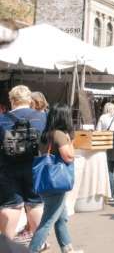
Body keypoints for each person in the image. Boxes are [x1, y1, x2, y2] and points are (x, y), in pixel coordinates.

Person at [29, 104, 82, 253]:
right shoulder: (59, 134)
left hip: (47, 183)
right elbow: (69, 157)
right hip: (56, 184)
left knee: (61, 219)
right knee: (47, 222)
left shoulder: (46, 133)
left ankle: (68, 249)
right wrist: (70, 141)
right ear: (64, 117)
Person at [0, 85, 46, 241]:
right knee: (35, 204)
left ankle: (6, 246)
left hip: (7, 169)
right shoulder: (42, 117)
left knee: (11, 206)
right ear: (29, 99)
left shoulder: (2, 119)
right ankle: (39, 244)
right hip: (34, 167)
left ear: (12, 100)